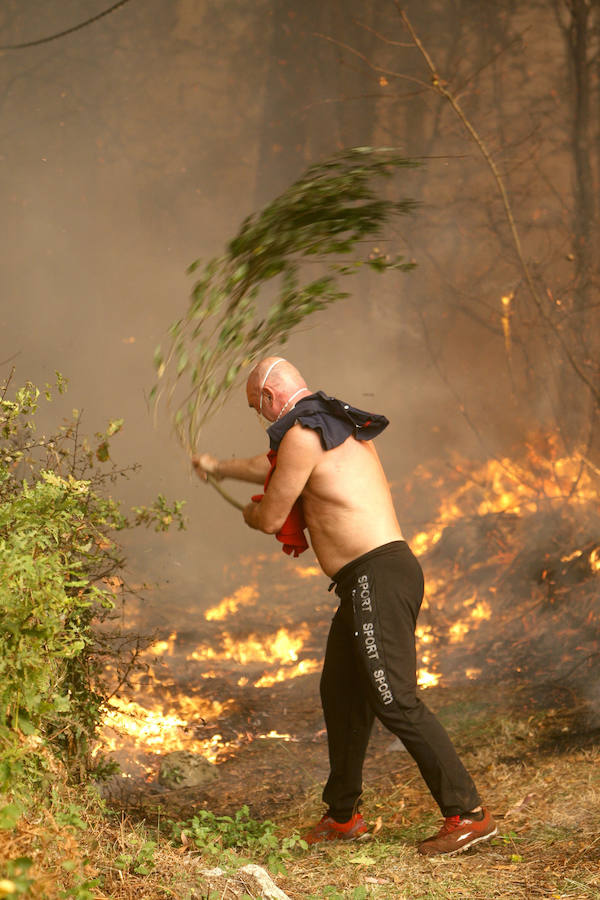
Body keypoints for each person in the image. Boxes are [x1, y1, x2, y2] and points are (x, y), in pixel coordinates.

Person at [192, 357, 497, 856]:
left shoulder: (302, 435)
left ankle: (469, 814)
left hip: (377, 574)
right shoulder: (324, 425)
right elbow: (270, 469)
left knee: (393, 698)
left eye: (254, 406)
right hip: (366, 579)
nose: (257, 416)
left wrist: (251, 512)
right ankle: (342, 817)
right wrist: (217, 467)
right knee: (341, 693)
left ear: (269, 397)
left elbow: (270, 518)